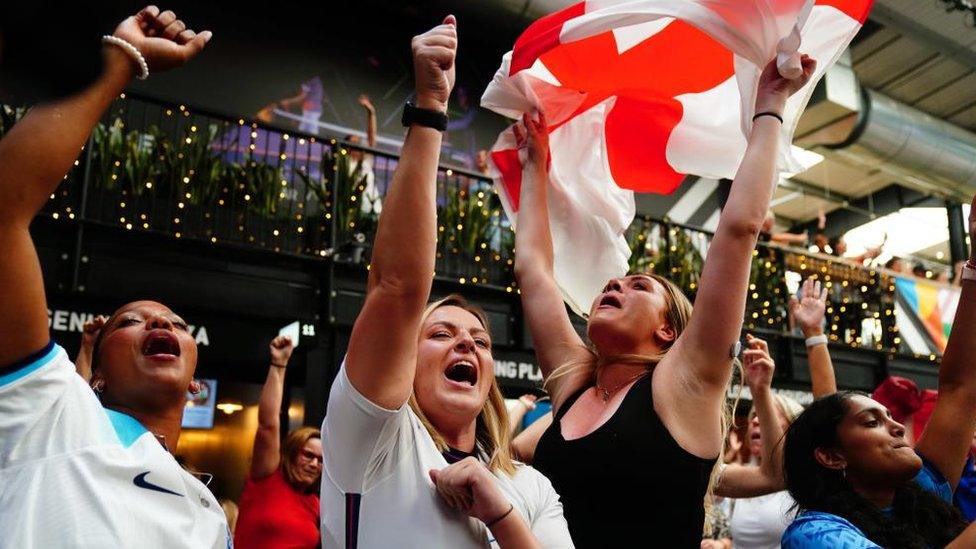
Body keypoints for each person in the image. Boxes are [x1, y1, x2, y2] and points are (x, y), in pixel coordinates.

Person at [513, 53, 817, 547]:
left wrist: (771, 105)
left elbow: (738, 233)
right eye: (614, 282)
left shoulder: (685, 384)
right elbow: (534, 270)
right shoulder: (572, 384)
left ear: (668, 331)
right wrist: (536, 165)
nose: (614, 285)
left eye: (638, 286)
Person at [320, 16, 572, 548]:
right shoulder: (372, 440)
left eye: (480, 341)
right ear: (402, 361)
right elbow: (397, 287)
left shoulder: (530, 487)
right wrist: (431, 105)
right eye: (440, 334)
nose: (467, 343)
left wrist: (500, 513)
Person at [0, 7, 227, 548]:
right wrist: (121, 64)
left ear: (197, 382)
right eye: (131, 321)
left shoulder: (211, 514)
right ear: (95, 376)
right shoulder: (52, 410)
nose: (161, 325)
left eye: (174, 322)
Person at [781, 194, 976, 548]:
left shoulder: (920, 498)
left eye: (887, 417)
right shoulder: (813, 534)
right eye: (873, 422)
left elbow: (962, 389)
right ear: (831, 456)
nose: (899, 426)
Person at [235, 336, 322, 549]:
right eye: (308, 455)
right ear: (292, 452)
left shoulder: (316, 504)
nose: (314, 464)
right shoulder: (267, 477)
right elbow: (268, 425)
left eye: (320, 460)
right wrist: (279, 364)